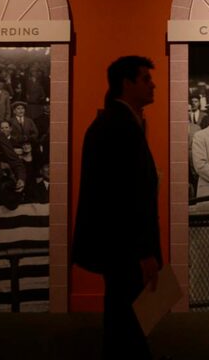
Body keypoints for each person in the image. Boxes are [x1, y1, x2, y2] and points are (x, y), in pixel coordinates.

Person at [72, 56, 161, 360]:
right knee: (127, 313)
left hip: (120, 244)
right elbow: (125, 197)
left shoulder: (119, 122)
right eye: (145, 79)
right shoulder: (118, 127)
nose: (153, 85)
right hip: (123, 245)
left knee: (123, 314)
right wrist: (144, 251)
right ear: (127, 83)